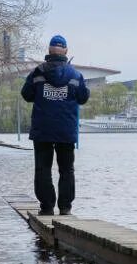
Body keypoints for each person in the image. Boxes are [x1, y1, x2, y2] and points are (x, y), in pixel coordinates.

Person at [20, 34, 89, 215]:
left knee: (43, 169)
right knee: (67, 169)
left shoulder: (38, 72)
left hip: (42, 129)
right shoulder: (75, 75)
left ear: (49, 50)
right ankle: (65, 208)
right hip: (66, 130)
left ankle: (47, 207)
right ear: (66, 51)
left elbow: (26, 95)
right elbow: (83, 98)